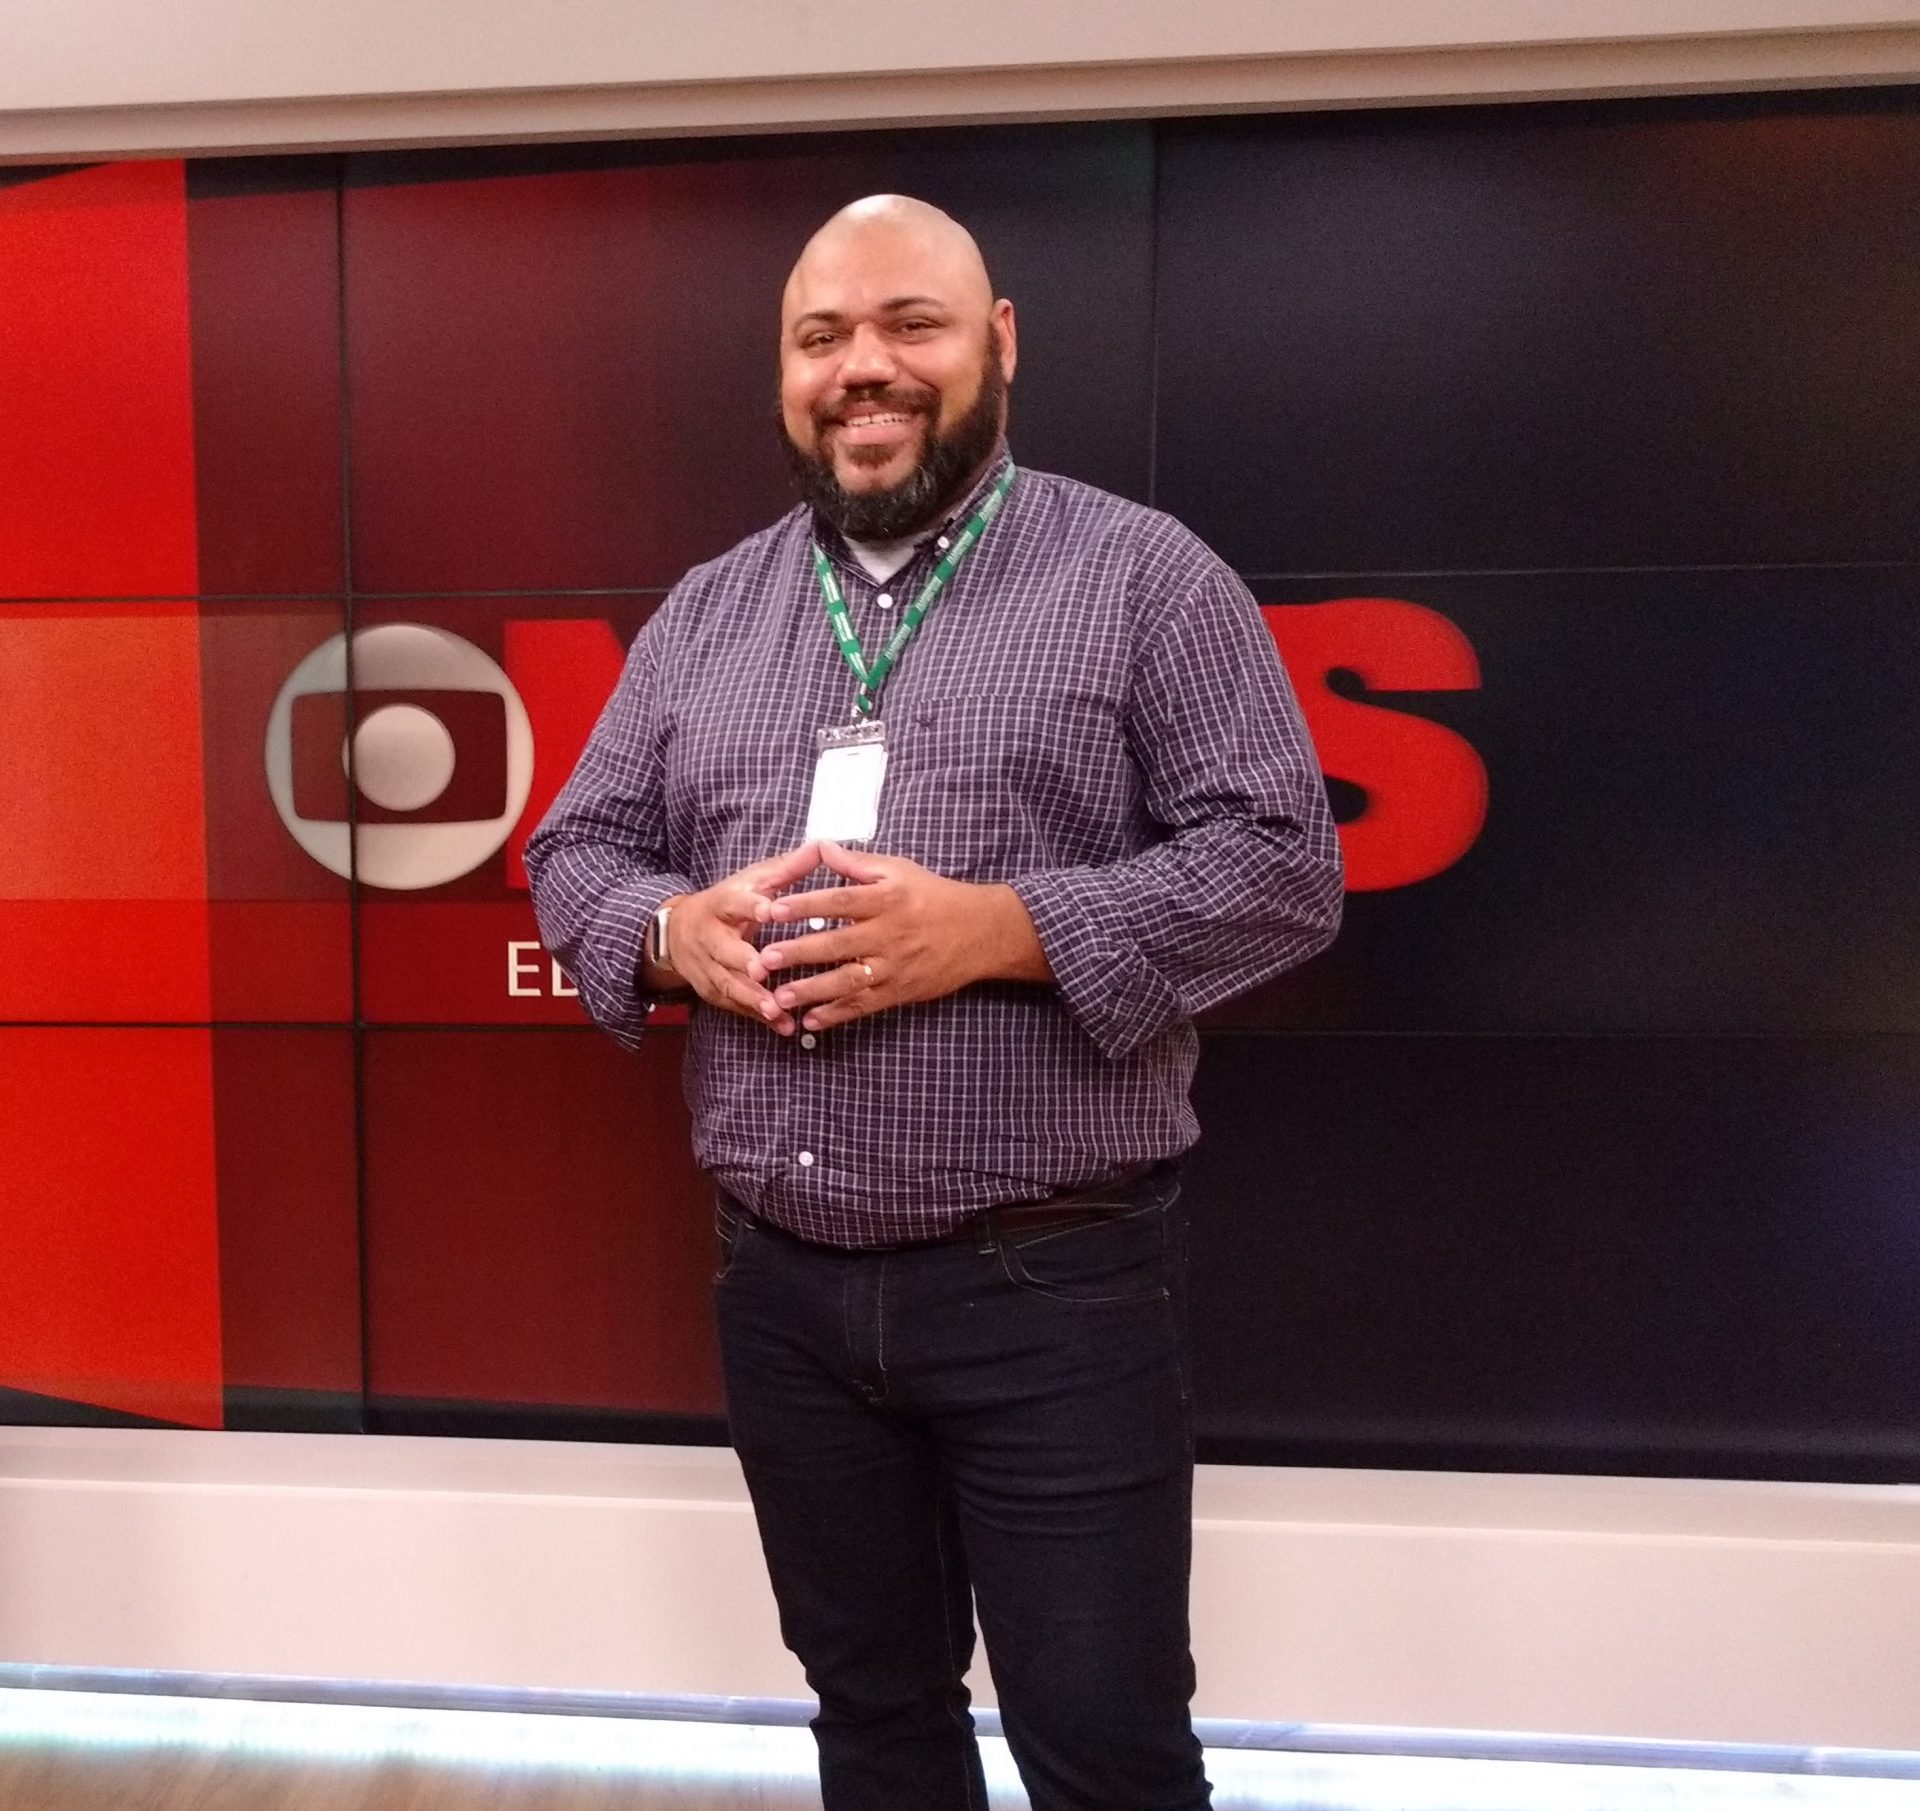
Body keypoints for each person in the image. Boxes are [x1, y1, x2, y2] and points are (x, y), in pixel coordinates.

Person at [525, 193, 1343, 1811]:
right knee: (874, 1717)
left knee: (1102, 1746)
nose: (864, 368)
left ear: (999, 345)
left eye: (912, 325)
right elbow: (576, 848)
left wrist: (1001, 930)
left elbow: (1281, 866)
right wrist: (674, 931)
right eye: (822, 337)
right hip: (782, 1291)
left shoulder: (1144, 579)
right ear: (785, 372)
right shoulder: (709, 610)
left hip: (1053, 1287)